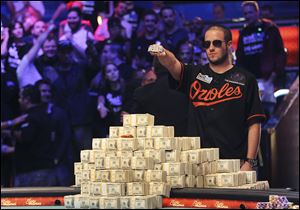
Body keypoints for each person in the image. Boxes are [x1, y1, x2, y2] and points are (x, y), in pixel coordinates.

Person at [149, 24, 266, 171]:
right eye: (206, 44)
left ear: (229, 45)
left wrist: (250, 161)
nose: (211, 48)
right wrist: (163, 53)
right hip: (198, 164)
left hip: (234, 162)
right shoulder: (194, 74)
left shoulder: (246, 79)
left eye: (216, 43)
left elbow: (254, 122)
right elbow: (173, 64)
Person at [236, 1, 286, 119]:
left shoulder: (270, 28)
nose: (247, 16)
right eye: (245, 13)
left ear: (257, 12)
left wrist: (273, 75)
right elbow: (240, 58)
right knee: (253, 114)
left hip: (269, 78)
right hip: (251, 80)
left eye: (250, 12)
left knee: (270, 113)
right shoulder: (243, 32)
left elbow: (280, 53)